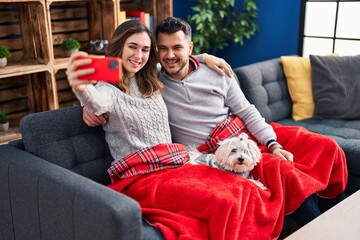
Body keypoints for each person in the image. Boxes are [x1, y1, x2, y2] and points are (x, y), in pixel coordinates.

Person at [78, 18, 347, 239]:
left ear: (190, 47)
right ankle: (325, 231)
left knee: (323, 147)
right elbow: (114, 71)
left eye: (177, 48)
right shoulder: (154, 77)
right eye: (162, 49)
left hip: (240, 134)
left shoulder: (216, 72)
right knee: (284, 173)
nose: (170, 55)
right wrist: (87, 104)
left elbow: (246, 111)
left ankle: (340, 222)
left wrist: (272, 144)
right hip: (210, 152)